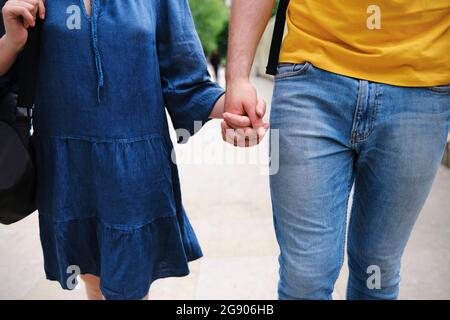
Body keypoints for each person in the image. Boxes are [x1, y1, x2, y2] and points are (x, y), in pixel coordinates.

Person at [0, 0, 268, 300]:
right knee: (93, 279)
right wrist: (11, 40)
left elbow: (187, 84)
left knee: (129, 288)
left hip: (135, 171)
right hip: (67, 172)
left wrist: (234, 110)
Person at [224, 0, 450, 299]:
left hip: (424, 84)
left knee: (377, 272)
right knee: (305, 277)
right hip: (312, 75)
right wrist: (236, 77)